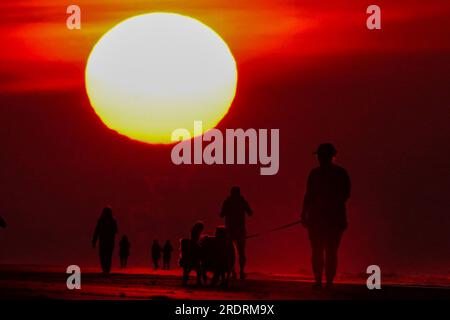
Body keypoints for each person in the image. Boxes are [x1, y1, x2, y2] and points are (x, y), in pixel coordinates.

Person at [301, 143, 351, 288]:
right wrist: (305, 213)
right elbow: (346, 195)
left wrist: (305, 213)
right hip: (333, 219)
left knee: (320, 250)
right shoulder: (341, 173)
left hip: (321, 219)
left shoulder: (316, 174)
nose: (319, 159)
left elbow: (309, 196)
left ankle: (321, 280)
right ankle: (326, 280)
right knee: (330, 251)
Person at [220, 186, 253, 279]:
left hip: (230, 230)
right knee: (241, 251)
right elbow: (250, 213)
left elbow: (222, 214)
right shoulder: (242, 201)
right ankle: (241, 272)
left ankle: (233, 271)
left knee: (230, 252)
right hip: (240, 230)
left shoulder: (227, 202)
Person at [92, 207, 118, 274]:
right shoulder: (112, 221)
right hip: (109, 241)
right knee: (108, 256)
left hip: (103, 241)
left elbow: (96, 231)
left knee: (103, 255)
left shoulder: (101, 220)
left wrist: (94, 241)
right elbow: (116, 231)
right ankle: (107, 270)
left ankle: (105, 269)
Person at [180, 221, 204, 286]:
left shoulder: (194, 231)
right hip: (193, 256)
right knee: (198, 269)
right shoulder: (195, 233)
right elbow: (195, 241)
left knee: (187, 270)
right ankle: (198, 282)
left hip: (189, 256)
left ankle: (185, 281)